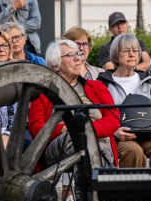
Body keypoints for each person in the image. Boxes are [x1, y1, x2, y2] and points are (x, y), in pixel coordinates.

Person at [97, 32, 151, 201]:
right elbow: (98, 113)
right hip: (119, 135)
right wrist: (114, 130)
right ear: (116, 55)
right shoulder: (103, 82)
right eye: (126, 50)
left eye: (135, 50)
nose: (132, 54)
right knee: (133, 151)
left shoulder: (148, 81)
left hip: (148, 133)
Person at [28, 38, 121, 167]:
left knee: (90, 147)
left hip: (99, 142)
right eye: (71, 55)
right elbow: (36, 129)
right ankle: (90, 184)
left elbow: (113, 119)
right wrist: (65, 129)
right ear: (56, 65)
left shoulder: (97, 87)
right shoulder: (43, 93)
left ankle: (86, 184)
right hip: (59, 145)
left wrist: (86, 130)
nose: (78, 58)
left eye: (78, 54)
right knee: (78, 142)